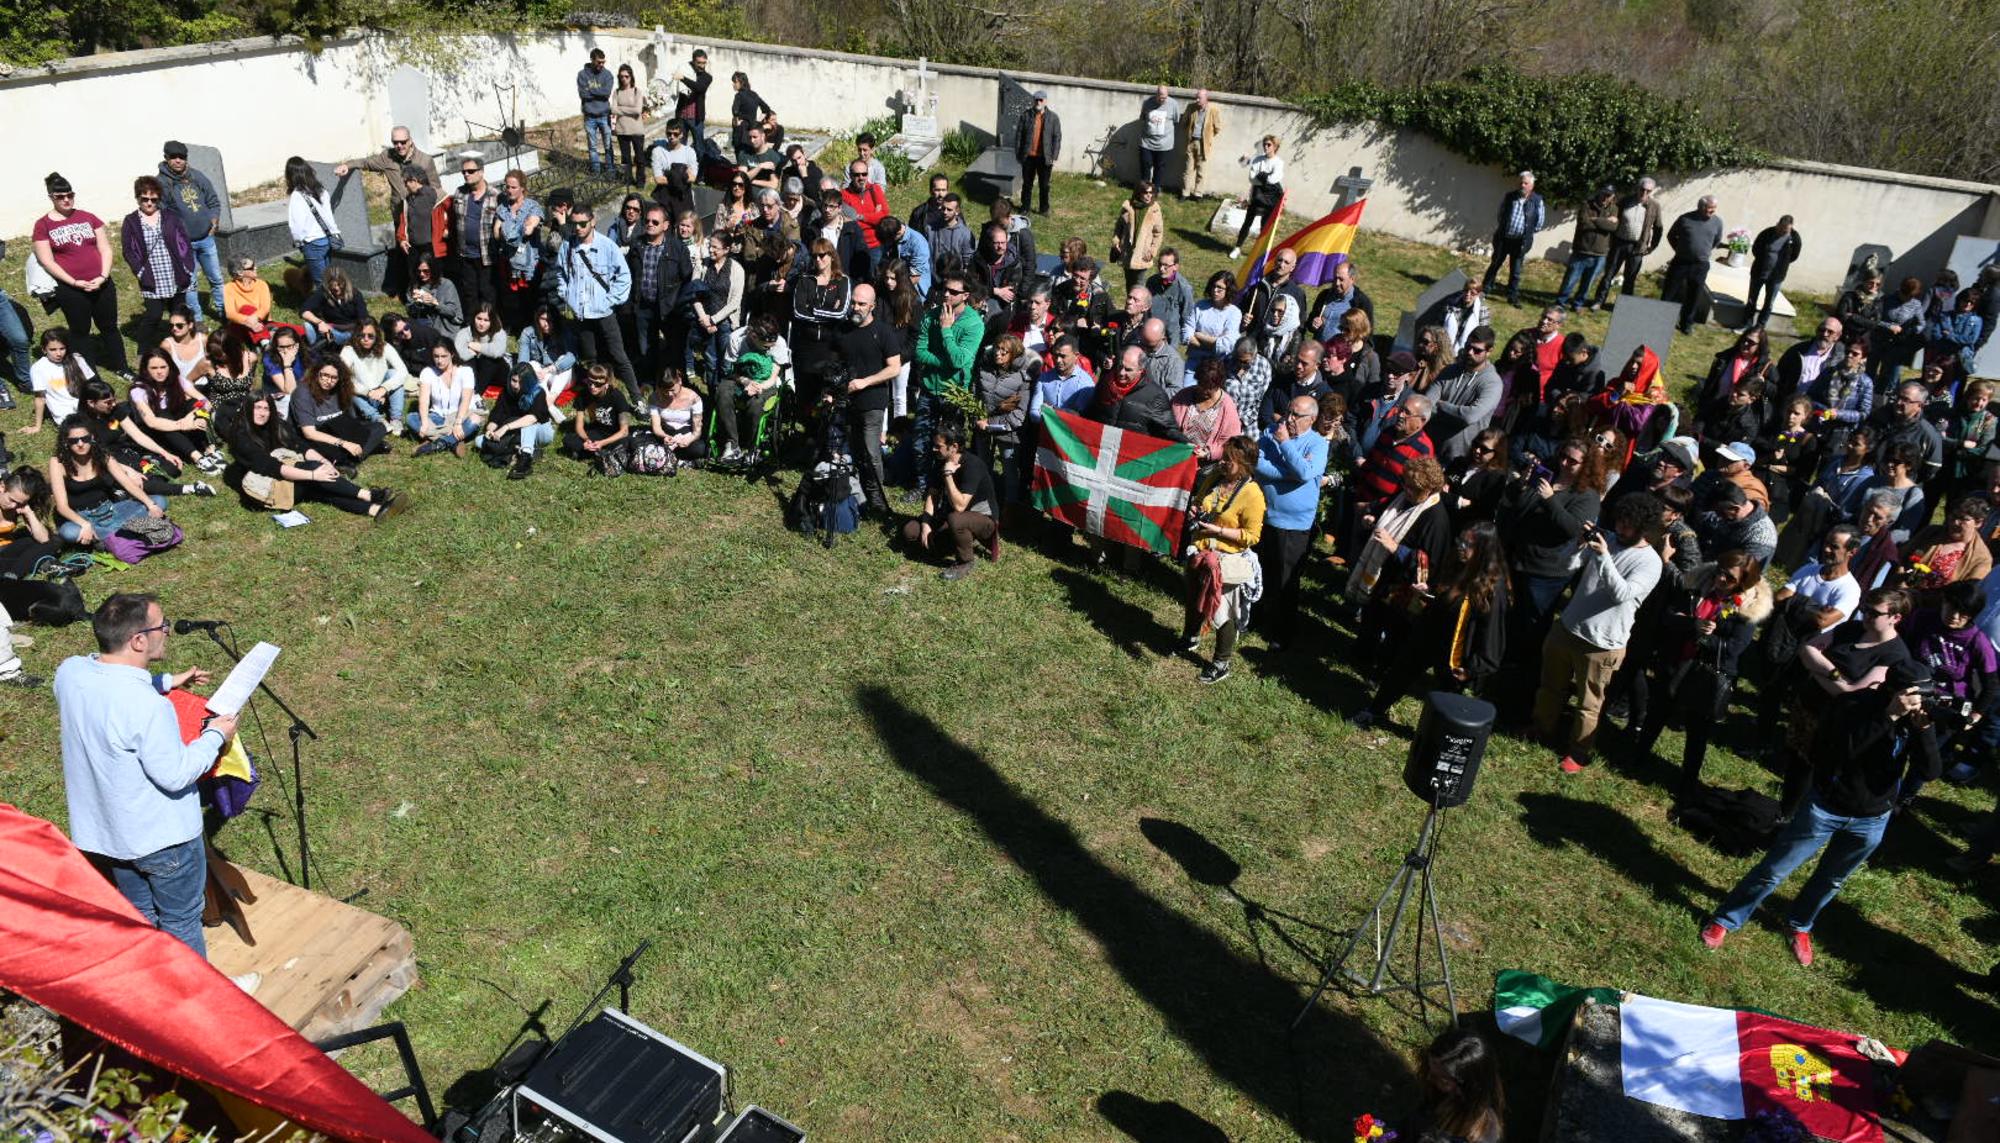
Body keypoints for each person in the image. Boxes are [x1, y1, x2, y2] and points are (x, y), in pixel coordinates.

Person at [1703, 658, 1939, 968]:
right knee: (1775, 870)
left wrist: (1924, 732)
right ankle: (1726, 918)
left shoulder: (1915, 721)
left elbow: (1931, 771)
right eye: (1916, 694)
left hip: (1872, 819)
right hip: (1827, 807)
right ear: (1897, 691)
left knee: (1832, 880)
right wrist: (1888, 717)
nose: (1920, 702)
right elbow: (1840, 753)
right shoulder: (1852, 705)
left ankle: (1800, 924)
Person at [54, 594, 242, 957]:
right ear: (138, 640)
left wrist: (168, 680)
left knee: (140, 919)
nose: (167, 632)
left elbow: (113, 687)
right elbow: (176, 774)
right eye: (162, 626)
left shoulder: (70, 672)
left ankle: (153, 997)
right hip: (162, 840)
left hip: (108, 836)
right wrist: (216, 735)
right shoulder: (148, 708)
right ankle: (195, 1002)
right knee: (181, 921)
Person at [1534, 491, 1665, 773]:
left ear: (1643, 528)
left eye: (1627, 525)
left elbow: (1622, 594)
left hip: (1602, 643)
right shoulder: (1608, 539)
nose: (1620, 528)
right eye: (1618, 521)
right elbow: (1566, 566)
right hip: (1568, 627)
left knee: (1588, 703)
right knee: (1550, 687)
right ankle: (1541, 728)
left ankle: (1579, 753)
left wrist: (1604, 556)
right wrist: (1578, 547)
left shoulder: (1650, 563)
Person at [1631, 550, 1772, 799]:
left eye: (1728, 578)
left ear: (1743, 582)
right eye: (1719, 572)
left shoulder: (1747, 609)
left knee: (1697, 731)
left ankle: (1687, 783)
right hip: (1676, 661)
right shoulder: (1698, 585)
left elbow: (1734, 649)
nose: (1720, 579)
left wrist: (1707, 638)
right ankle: (1637, 757)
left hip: (1706, 674)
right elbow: (1670, 616)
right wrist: (1691, 625)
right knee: (1657, 711)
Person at [1344, 457, 1451, 666]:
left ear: (1428, 489)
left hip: (1403, 587)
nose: (1406, 490)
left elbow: (1430, 563)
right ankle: (1361, 656)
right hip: (1383, 574)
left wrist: (1394, 547)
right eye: (1405, 484)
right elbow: (1388, 516)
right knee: (1371, 618)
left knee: (1392, 631)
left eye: (1412, 488)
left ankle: (1378, 668)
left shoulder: (1436, 519)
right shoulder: (1404, 498)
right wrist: (1373, 519)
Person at [227, 394, 402, 517]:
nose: (262, 413)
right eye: (257, 407)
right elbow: (274, 468)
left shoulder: (275, 425)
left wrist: (324, 461)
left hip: (284, 475)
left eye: (266, 408)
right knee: (316, 476)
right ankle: (369, 495)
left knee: (321, 489)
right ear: (248, 409)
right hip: (264, 488)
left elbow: (299, 445)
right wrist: (313, 473)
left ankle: (375, 510)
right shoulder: (241, 437)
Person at [1180, 436, 1265, 684]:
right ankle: (1190, 637)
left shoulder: (1252, 494)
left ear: (1246, 464)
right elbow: (1199, 501)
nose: (1224, 462)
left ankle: (1221, 662)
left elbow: (1252, 536)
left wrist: (1218, 531)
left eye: (1230, 459)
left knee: (1221, 610)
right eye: (1224, 456)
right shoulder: (1215, 477)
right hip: (1200, 550)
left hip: (1225, 559)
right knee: (1193, 595)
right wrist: (1195, 510)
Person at [1255, 393, 1331, 648]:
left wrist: (1286, 445)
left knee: (1286, 580)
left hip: (1294, 524)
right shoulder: (1270, 431)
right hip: (1265, 515)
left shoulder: (1318, 444)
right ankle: (1256, 617)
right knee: (1260, 570)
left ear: (1312, 419)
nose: (1289, 419)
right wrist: (1288, 474)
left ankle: (1281, 633)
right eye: (1288, 412)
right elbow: (1257, 463)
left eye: (1296, 415)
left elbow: (1305, 472)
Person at [33, 172, 127, 377]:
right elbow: (47, 261)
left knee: (109, 327)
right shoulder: (43, 225)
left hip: (102, 284)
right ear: (51, 198)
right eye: (60, 196)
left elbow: (106, 249)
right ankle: (89, 373)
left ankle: (122, 367)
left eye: (69, 195)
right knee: (80, 332)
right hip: (71, 289)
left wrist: (102, 276)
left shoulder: (87, 217)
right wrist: (74, 282)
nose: (66, 199)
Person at [912, 273, 986, 495]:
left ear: (965, 295)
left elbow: (959, 360)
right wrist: (943, 364)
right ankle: (922, 485)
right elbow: (920, 352)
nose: (946, 294)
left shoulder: (973, 323)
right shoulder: (931, 315)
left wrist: (946, 330)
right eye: (945, 289)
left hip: (953, 394)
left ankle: (947, 487)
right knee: (921, 441)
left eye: (953, 292)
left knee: (950, 445)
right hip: (929, 388)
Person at [555, 202, 639, 398]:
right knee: (590, 357)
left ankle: (636, 396)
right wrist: (567, 295)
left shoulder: (607, 246)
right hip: (581, 313)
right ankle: (596, 394)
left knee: (619, 356)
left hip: (604, 312)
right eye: (574, 224)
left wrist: (610, 300)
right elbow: (561, 273)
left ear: (593, 222)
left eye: (582, 224)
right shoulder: (567, 247)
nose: (577, 228)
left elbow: (624, 276)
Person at [47, 417, 169, 546]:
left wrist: (150, 504)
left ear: (92, 437)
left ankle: (106, 538)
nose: (80, 444)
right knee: (69, 532)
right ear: (66, 442)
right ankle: (126, 532)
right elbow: (62, 507)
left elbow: (127, 483)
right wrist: (85, 524)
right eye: (74, 441)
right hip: (80, 516)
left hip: (110, 510)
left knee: (159, 501)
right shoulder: (57, 463)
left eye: (85, 438)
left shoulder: (102, 456)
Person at [902, 423, 999, 581]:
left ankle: (965, 561)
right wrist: (926, 523)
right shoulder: (940, 460)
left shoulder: (973, 465)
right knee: (911, 531)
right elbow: (932, 495)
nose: (934, 449)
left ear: (953, 446)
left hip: (983, 520)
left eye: (938, 446)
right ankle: (944, 545)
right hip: (952, 516)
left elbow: (960, 506)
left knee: (956, 519)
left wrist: (948, 474)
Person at [840, 282, 902, 515]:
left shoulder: (883, 332)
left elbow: (894, 368)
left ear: (873, 306)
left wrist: (865, 382)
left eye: (861, 304)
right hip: (848, 401)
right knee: (855, 449)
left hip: (873, 400)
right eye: (853, 302)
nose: (856, 307)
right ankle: (859, 494)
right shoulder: (845, 330)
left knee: (871, 450)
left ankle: (878, 500)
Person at [121, 176, 195, 356]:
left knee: (178, 313)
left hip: (174, 272)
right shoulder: (131, 221)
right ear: (138, 198)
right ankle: (143, 351)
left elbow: (184, 241)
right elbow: (128, 250)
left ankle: (183, 347)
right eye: (144, 199)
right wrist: (140, 271)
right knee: (153, 315)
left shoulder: (170, 217)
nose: (149, 203)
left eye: (153, 199)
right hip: (152, 275)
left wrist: (187, 266)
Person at [626, 202, 693, 393]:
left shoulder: (677, 248)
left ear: (665, 225)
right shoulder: (637, 244)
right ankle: (647, 380)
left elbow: (686, 277)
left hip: (669, 307)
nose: (650, 224)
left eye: (655, 222)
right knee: (645, 346)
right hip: (643, 305)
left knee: (674, 347)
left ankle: (677, 381)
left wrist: (678, 303)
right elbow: (629, 273)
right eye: (647, 221)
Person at [157, 141, 226, 321]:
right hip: (184, 244)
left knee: (217, 279)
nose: (178, 161)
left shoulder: (197, 176)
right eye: (174, 157)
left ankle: (223, 312)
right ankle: (197, 319)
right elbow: (162, 214)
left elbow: (213, 200)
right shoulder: (161, 183)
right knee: (190, 284)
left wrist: (214, 221)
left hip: (206, 238)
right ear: (166, 158)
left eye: (182, 157)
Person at [129, 349, 222, 474]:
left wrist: (192, 416)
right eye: (154, 368)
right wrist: (182, 425)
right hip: (156, 429)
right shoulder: (139, 390)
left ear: (169, 366)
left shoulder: (176, 380)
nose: (160, 372)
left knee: (193, 403)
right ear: (146, 369)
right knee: (162, 414)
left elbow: (205, 401)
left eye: (163, 367)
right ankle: (197, 457)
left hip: (178, 419)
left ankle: (208, 448)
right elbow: (151, 422)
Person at [1410, 1024, 1506, 1143]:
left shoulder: (1482, 1135)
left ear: (1467, 1086)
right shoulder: (1435, 1089)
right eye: (1430, 1067)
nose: (1429, 1077)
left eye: (1442, 1079)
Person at [974, 334, 1035, 511]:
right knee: (982, 465)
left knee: (1010, 471)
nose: (998, 354)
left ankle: (1010, 507)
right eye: (996, 349)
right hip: (982, 426)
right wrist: (977, 418)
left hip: (1008, 432)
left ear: (1014, 355)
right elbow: (975, 395)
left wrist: (990, 423)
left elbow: (1018, 415)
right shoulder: (985, 368)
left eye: (1004, 351)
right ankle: (982, 502)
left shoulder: (1023, 378)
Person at [1426, 328, 1502, 463]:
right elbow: (1427, 404)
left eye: (1477, 350)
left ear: (1489, 351)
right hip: (1429, 445)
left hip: (1458, 457)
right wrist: (1457, 412)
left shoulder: (1492, 383)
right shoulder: (1449, 370)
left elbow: (1470, 416)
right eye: (1468, 346)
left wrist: (1442, 405)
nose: (1470, 352)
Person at [1481, 171, 1546, 306]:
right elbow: (1501, 214)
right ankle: (1485, 290)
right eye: (1521, 182)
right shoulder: (1510, 197)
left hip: (1520, 242)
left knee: (1516, 271)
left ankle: (1512, 296)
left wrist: (1526, 233)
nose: (1522, 185)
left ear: (1531, 186)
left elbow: (1539, 223)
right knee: (1495, 265)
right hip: (1504, 239)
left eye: (1525, 183)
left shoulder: (1537, 201)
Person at [1662, 195, 1723, 334]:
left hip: (1700, 265)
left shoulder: (1717, 222)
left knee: (1694, 295)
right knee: (1670, 292)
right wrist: (1680, 250)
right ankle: (1662, 319)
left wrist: (1702, 252)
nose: (1712, 212)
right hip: (1681, 262)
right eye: (1709, 209)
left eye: (1714, 209)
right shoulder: (1685, 219)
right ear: (1700, 207)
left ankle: (1686, 324)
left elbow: (1716, 241)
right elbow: (1671, 235)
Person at [1597, 177, 1663, 306]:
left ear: (1652, 191)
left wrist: (1652, 246)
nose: (1644, 193)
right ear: (1637, 188)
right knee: (1609, 274)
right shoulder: (1626, 201)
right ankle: (1599, 301)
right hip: (1619, 243)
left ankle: (1623, 306)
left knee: (1630, 278)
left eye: (1648, 191)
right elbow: (1613, 217)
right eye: (1642, 189)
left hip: (1638, 248)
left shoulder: (1655, 206)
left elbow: (1659, 227)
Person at [409, 341, 480, 457]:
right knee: (411, 418)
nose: (439, 360)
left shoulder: (466, 372)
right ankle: (453, 441)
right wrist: (425, 422)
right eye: (436, 356)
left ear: (452, 354)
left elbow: (466, 400)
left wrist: (458, 423)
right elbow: (424, 400)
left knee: (475, 419)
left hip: (459, 415)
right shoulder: (428, 372)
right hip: (437, 417)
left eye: (443, 356)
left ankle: (434, 444)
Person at [564, 363, 635, 474]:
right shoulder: (583, 395)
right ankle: (595, 451)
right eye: (589, 382)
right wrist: (586, 440)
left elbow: (624, 431)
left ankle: (591, 452)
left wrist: (602, 443)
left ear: (606, 384)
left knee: (627, 442)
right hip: (597, 432)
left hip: (614, 435)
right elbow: (579, 426)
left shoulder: (617, 396)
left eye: (597, 384)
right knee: (568, 439)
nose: (592, 387)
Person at [1555, 186, 1618, 312]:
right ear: (1600, 192)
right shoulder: (1587, 205)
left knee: (1588, 283)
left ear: (1613, 196)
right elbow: (1584, 223)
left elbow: (1613, 228)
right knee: (1570, 280)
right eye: (1604, 194)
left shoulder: (1614, 209)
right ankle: (1560, 303)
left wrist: (1595, 220)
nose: (1606, 197)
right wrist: (1605, 222)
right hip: (1582, 250)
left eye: (1609, 195)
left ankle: (1578, 303)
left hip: (1600, 253)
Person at [282, 157, 341, 289]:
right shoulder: (321, 190)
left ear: (290, 176)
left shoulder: (297, 196)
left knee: (320, 282)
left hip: (312, 243)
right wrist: (335, 232)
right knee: (330, 278)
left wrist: (298, 242)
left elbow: (296, 225)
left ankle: (328, 308)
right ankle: (337, 303)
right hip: (327, 239)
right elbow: (328, 215)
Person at [342, 319, 410, 432]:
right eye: (361, 335)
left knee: (393, 373)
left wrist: (384, 388)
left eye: (370, 336)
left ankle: (396, 419)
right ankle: (378, 419)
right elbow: (343, 377)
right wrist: (368, 392)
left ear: (377, 336)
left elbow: (403, 371)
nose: (366, 339)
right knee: (347, 386)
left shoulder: (385, 347)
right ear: (356, 335)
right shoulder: (349, 350)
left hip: (382, 396)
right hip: (361, 397)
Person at [25, 327, 93, 436]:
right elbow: (40, 398)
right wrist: (37, 426)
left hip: (88, 408)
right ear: (44, 349)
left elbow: (91, 386)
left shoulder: (76, 359)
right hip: (66, 416)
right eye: (53, 350)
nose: (59, 353)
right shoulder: (39, 368)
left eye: (62, 348)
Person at [1229, 136, 1285, 259]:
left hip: (1271, 198)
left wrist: (1261, 176)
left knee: (1264, 226)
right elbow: (1251, 178)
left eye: (1269, 144)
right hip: (1257, 196)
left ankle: (1259, 252)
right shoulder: (1258, 159)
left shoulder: (1279, 162)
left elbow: (1274, 179)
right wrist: (1265, 177)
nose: (1266, 146)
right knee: (1247, 222)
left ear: (1275, 147)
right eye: (1265, 144)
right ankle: (1237, 247)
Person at [1182, 271, 1241, 385]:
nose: (1215, 290)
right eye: (1213, 286)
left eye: (1220, 288)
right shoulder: (1200, 306)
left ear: (1228, 290)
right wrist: (1212, 344)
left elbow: (1227, 344)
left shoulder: (1234, 313)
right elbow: (1186, 332)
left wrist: (1199, 336)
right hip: (1194, 363)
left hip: (1218, 366)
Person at [1744, 215, 1802, 330]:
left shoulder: (1794, 238)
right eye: (1781, 228)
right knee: (1752, 299)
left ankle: (1760, 326)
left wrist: (1781, 265)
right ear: (1777, 224)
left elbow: (1794, 256)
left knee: (1769, 303)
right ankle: (1746, 323)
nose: (1782, 231)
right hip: (1759, 272)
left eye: (1786, 230)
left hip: (1776, 277)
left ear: (1791, 228)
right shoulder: (1767, 233)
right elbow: (1756, 248)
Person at [1110, 182, 1165, 293]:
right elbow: (1118, 228)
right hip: (1126, 253)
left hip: (1143, 255)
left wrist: (1152, 250)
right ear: (1139, 193)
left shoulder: (1155, 209)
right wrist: (1116, 242)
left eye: (1151, 192)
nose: (1149, 195)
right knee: (1129, 285)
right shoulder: (1128, 206)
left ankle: (1140, 308)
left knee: (1139, 286)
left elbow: (1158, 234)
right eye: (1145, 192)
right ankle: (1130, 306)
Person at [1013, 91, 1061, 215]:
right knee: (1027, 184)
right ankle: (1025, 207)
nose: (1038, 102)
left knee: (1044, 185)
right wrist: (1018, 153)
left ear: (1045, 101)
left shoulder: (1053, 118)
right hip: (1028, 157)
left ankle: (1044, 209)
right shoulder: (1026, 116)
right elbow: (1019, 136)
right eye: (1036, 100)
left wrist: (1054, 156)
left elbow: (1057, 137)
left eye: (1041, 100)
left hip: (1045, 157)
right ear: (1033, 101)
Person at [300, 266, 370, 348]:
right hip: (330, 327)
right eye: (333, 286)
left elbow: (363, 318)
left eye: (339, 285)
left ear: (345, 282)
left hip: (351, 331)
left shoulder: (355, 294)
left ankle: (321, 342)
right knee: (309, 325)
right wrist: (320, 323)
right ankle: (323, 341)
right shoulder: (323, 293)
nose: (336, 289)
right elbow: (304, 311)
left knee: (343, 337)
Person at [1308, 259, 1375, 339]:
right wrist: (1314, 324)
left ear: (1352, 279)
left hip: (1342, 350)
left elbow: (1367, 334)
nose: (1337, 283)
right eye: (1335, 278)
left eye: (1341, 279)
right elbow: (1310, 322)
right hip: (1319, 348)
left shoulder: (1361, 303)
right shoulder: (1324, 296)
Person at [575, 48, 615, 174]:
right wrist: (597, 93)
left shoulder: (607, 75)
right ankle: (596, 172)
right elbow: (583, 94)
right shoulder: (582, 75)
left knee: (608, 145)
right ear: (592, 60)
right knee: (592, 147)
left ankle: (610, 171)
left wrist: (590, 91)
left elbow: (606, 93)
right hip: (589, 116)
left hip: (604, 115)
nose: (601, 65)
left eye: (603, 62)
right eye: (599, 62)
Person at [1181, 89, 1222, 199]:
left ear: (1206, 99)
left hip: (1203, 144)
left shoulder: (1213, 110)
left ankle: (1198, 194)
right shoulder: (1191, 107)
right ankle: (1185, 193)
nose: (1197, 100)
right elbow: (1183, 122)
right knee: (1187, 169)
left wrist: (1208, 138)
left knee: (1201, 171)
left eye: (1199, 98)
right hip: (1191, 142)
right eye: (1196, 97)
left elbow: (1217, 128)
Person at [1136, 85, 1179, 188]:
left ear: (1167, 95)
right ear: (1156, 94)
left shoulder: (1173, 104)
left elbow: (1176, 120)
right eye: (1160, 97)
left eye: (1164, 98)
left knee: (1160, 167)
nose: (1162, 100)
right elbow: (1143, 118)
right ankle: (1144, 188)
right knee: (1145, 165)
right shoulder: (1147, 103)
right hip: (1147, 142)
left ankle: (1156, 188)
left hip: (1164, 144)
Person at [728, 70, 775, 155]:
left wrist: (738, 122)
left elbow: (735, 111)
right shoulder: (754, 95)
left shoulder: (739, 95)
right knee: (750, 155)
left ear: (741, 82)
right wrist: (757, 122)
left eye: (735, 82)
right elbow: (766, 109)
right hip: (753, 129)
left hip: (741, 130)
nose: (733, 84)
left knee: (740, 155)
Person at [673, 47, 713, 138]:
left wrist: (683, 78)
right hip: (682, 115)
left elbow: (699, 88)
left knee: (699, 146)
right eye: (699, 63)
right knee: (680, 144)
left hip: (696, 117)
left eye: (704, 63)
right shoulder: (686, 70)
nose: (701, 66)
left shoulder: (707, 77)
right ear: (693, 62)